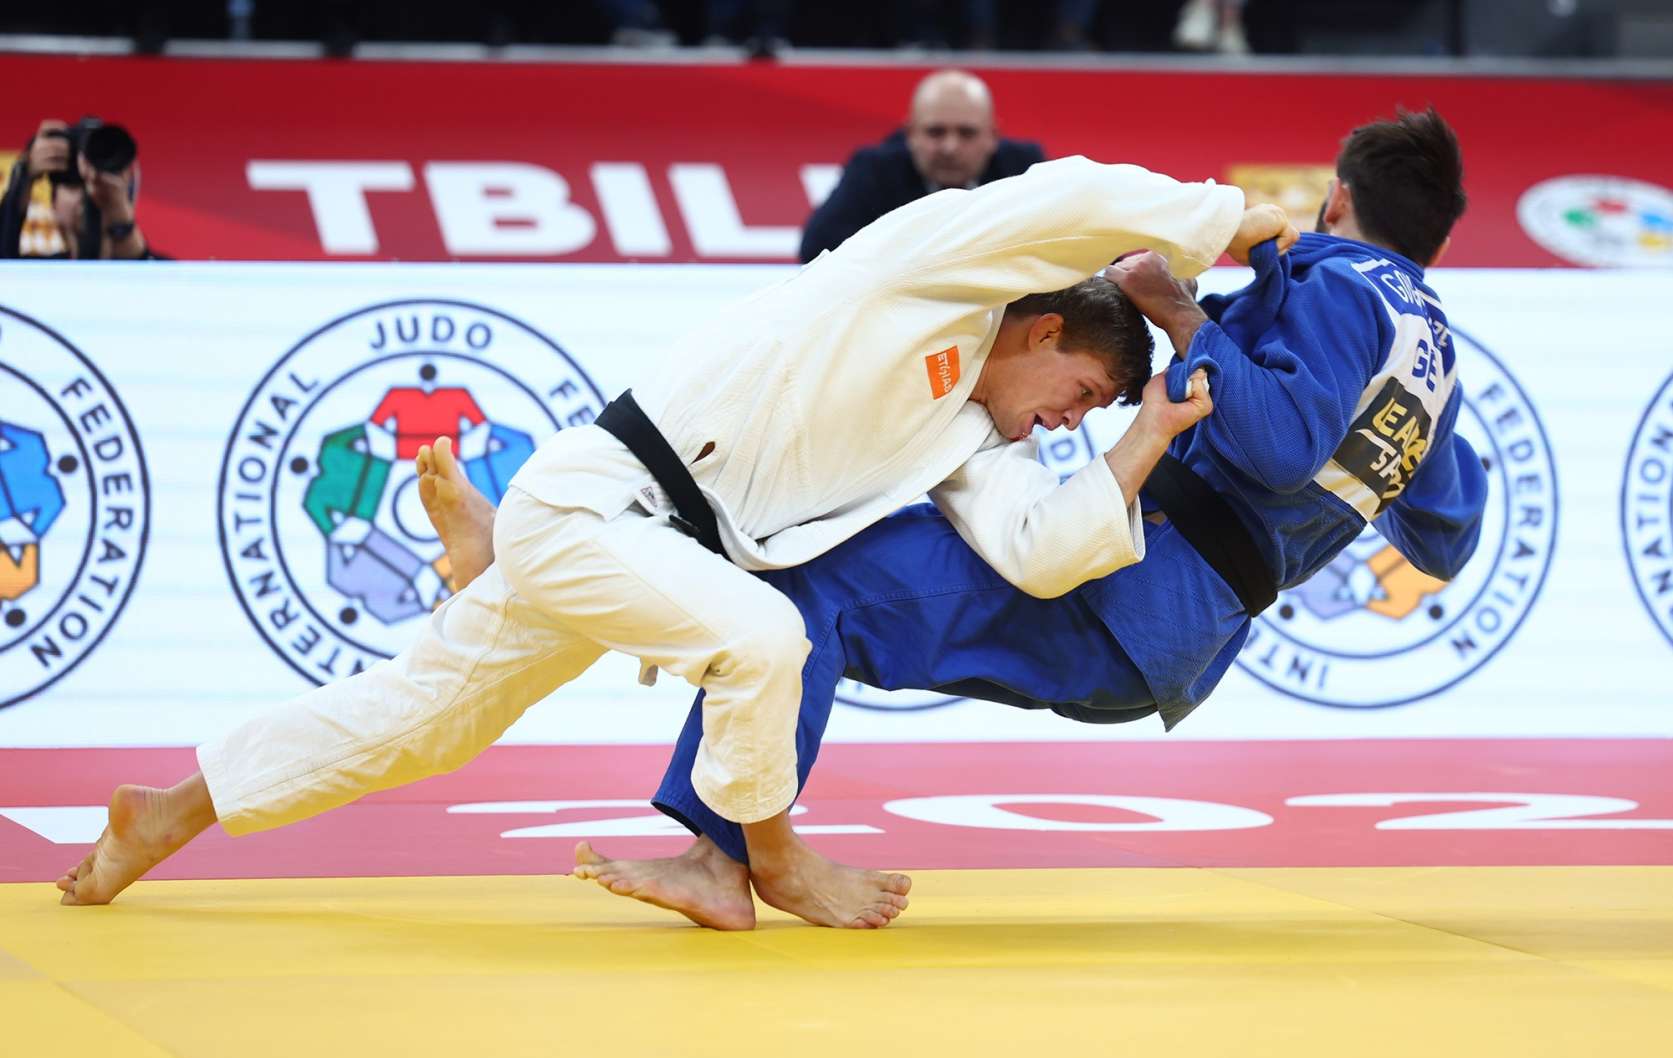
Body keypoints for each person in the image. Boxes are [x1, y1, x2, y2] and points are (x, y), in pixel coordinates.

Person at [56, 156, 1294, 927]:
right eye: (1081, 395)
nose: (1071, 421)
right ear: (1040, 328)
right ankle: (759, 862)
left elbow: (1041, 551)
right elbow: (1057, 197)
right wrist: (1224, 219)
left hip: (644, 543)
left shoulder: (965, 436)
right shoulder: (924, 280)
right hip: (602, 503)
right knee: (765, 642)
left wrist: (1143, 436)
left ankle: (168, 809)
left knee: (431, 719)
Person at [553, 106, 1479, 928]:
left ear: (1334, 199)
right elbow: (1444, 538)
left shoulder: (1329, 284)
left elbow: (1276, 445)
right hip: (1182, 632)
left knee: (809, 597)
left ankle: (727, 861)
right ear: (1435, 237)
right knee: (803, 588)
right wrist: (1346, 481)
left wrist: (1181, 316)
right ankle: (721, 844)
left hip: (1128, 592)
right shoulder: (1433, 364)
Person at [798, 69, 1045, 263]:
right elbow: (816, 246)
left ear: (993, 136)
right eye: (935, 132)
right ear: (910, 134)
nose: (950, 147)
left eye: (967, 133)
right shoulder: (874, 170)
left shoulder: (1024, 169)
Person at [0, 117, 154, 260]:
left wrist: (121, 224)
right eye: (73, 184)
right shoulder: (40, 273)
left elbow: (143, 272)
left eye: (102, 181)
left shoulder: (164, 272)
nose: (90, 191)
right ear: (54, 201)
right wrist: (24, 176)